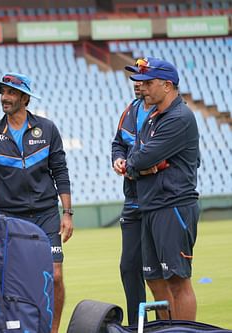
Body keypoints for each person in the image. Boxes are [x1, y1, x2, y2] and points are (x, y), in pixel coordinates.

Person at [0, 73, 73, 333]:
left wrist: (67, 213)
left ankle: (52, 330)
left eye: (11, 93)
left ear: (25, 98)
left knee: (55, 276)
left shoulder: (48, 129)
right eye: (2, 93)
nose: (4, 98)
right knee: (14, 281)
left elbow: (60, 172)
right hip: (10, 217)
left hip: (46, 214)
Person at [126, 58, 199, 320]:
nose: (141, 87)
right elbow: (137, 159)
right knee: (155, 280)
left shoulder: (179, 117)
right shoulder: (152, 118)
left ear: (167, 85)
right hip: (151, 205)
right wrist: (146, 166)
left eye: (148, 82)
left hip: (174, 205)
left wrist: (142, 165)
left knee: (178, 281)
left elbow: (139, 160)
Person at [111, 59, 158, 325]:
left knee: (162, 273)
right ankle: (136, 327)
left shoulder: (170, 113)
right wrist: (117, 158)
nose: (137, 85)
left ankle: (171, 327)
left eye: (142, 80)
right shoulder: (130, 111)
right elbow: (118, 143)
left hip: (160, 201)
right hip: (132, 201)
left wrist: (134, 167)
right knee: (129, 267)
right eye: (134, 80)